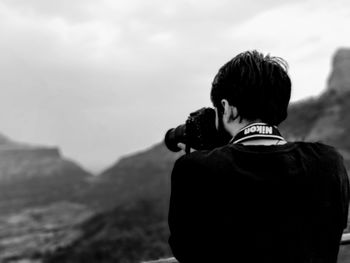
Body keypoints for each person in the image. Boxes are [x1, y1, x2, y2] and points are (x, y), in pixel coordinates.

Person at [168, 50, 350, 263]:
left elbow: (186, 250)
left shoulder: (194, 170)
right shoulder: (329, 162)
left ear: (227, 108)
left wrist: (203, 159)